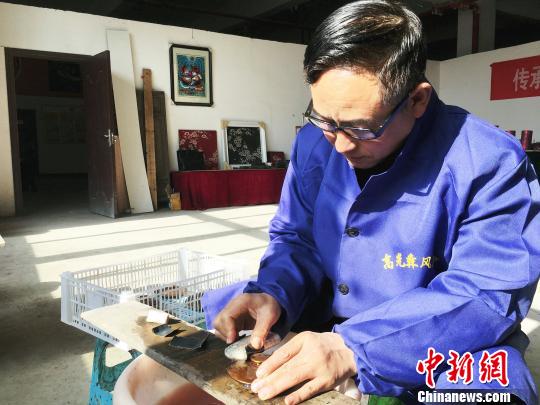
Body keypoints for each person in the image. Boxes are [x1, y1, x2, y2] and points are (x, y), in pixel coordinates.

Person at [207, 1, 540, 403]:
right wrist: (274, 291)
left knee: (492, 391)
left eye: (362, 128)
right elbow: (297, 237)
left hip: (435, 340)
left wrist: (353, 346)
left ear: (417, 100)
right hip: (324, 319)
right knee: (225, 320)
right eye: (325, 120)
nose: (341, 145)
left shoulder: (488, 161)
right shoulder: (314, 144)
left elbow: (486, 294)